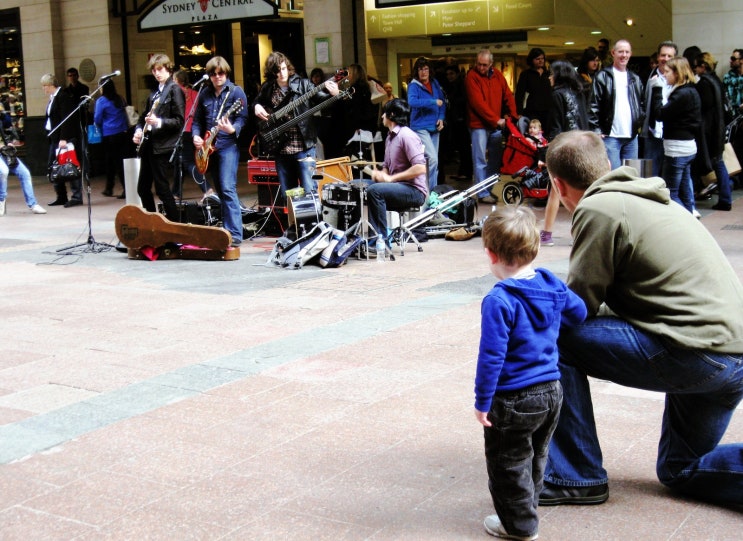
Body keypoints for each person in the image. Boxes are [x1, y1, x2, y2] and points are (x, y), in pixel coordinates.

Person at [541, 129, 743, 507]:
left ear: (558, 184)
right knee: (680, 470)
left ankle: (576, 475)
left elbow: (577, 309)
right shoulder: (654, 200)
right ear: (606, 165)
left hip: (696, 354)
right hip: (731, 356)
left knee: (550, 335)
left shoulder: (597, 209)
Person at [474, 205, 586, 541]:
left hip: (513, 397)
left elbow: (491, 356)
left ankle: (520, 526)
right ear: (534, 249)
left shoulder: (500, 299)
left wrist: (482, 401)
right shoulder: (551, 284)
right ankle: (527, 509)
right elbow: (578, 313)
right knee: (537, 455)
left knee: (507, 462)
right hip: (552, 390)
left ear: (490, 253)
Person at [253, 51, 339, 196]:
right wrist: (256, 106)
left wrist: (334, 95)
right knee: (289, 195)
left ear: (288, 67)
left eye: (283, 69)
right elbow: (257, 102)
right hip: (281, 148)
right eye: (277, 71)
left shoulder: (304, 84)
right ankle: (292, 219)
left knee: (310, 191)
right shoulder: (268, 88)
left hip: (303, 147)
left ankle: (311, 219)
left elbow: (320, 99)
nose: (281, 73)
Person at [192, 56, 249, 247]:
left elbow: (243, 118)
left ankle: (235, 234)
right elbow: (197, 120)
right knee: (220, 189)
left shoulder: (235, 92)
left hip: (227, 146)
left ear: (226, 72)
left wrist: (233, 129)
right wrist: (196, 137)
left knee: (227, 187)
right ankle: (226, 230)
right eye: (213, 74)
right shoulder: (205, 94)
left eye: (221, 73)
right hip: (210, 149)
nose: (217, 77)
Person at [367, 98, 427, 254]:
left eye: (384, 113)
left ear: (391, 115)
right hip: (398, 187)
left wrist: (391, 179)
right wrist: (381, 175)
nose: (381, 117)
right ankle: (353, 240)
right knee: (356, 186)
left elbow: (420, 168)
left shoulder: (407, 136)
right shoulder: (390, 137)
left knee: (375, 191)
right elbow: (387, 167)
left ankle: (381, 242)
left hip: (414, 191)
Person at [540, 60, 590, 247]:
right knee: (580, 192)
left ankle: (547, 234)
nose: (549, 77)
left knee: (555, 191)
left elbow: (555, 126)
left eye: (552, 73)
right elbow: (584, 120)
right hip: (581, 145)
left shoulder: (556, 95)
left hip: (563, 146)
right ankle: (580, 233)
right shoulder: (579, 94)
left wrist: (549, 150)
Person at [132, 53, 184, 221]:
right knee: (142, 188)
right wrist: (138, 130)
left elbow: (179, 121)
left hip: (162, 146)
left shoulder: (175, 89)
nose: (157, 73)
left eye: (160, 69)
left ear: (168, 68)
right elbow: (142, 118)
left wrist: (158, 122)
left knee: (162, 189)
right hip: (149, 145)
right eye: (154, 70)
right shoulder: (154, 93)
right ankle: (154, 221)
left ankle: (175, 225)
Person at [465, 49, 518, 204]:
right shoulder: (471, 77)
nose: (481, 67)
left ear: (491, 64)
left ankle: (488, 188)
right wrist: (496, 120)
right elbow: (478, 103)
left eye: (484, 65)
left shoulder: (498, 75)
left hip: (495, 125)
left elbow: (507, 94)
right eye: (479, 64)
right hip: (479, 125)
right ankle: (482, 193)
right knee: (480, 159)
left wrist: (513, 115)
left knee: (495, 159)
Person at [648, 56, 701, 213]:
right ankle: (691, 224)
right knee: (685, 193)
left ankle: (684, 223)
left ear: (677, 73)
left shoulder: (682, 94)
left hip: (677, 149)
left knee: (672, 193)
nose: (664, 75)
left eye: (667, 72)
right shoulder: (690, 91)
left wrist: (656, 89)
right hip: (687, 147)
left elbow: (659, 113)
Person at [589, 39, 644, 169]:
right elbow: (593, 103)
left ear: (630, 54)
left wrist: (639, 122)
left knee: (631, 176)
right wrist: (596, 129)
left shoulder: (635, 78)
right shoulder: (602, 76)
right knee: (613, 176)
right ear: (613, 53)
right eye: (620, 51)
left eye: (627, 52)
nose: (624, 55)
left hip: (632, 137)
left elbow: (642, 103)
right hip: (610, 136)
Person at [694, 52, 733, 211]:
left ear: (703, 66)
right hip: (718, 129)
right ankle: (725, 195)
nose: (695, 69)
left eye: (696, 65)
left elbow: (702, 108)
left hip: (709, 132)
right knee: (719, 163)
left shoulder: (704, 84)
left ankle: (724, 197)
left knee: (714, 163)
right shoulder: (716, 81)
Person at [41, 73, 83, 208]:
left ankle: (76, 196)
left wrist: (63, 138)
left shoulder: (63, 97)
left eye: (45, 86)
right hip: (54, 137)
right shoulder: (53, 98)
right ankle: (61, 195)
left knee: (69, 165)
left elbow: (67, 119)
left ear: (51, 85)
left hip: (63, 138)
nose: (44, 89)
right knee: (54, 166)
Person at [407, 57, 446, 191]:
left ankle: (432, 192)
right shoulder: (413, 85)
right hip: (420, 127)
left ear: (429, 70)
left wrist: (441, 117)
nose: (423, 72)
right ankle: (426, 191)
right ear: (416, 71)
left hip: (434, 127)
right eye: (420, 69)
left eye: (426, 69)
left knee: (434, 163)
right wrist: (432, 101)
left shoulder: (434, 82)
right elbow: (412, 102)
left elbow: (442, 101)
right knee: (433, 160)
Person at [640, 41, 677, 178]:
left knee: (671, 176)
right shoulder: (647, 77)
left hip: (673, 135)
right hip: (652, 133)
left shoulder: (681, 79)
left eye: (669, 56)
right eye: (663, 55)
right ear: (657, 57)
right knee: (650, 174)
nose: (665, 59)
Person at [172, 70, 209, 198]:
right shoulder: (195, 93)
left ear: (177, 80)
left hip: (181, 131)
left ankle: (206, 189)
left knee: (187, 162)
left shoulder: (176, 92)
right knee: (179, 162)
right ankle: (176, 192)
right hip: (193, 131)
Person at [94, 79, 128, 198]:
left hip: (109, 134)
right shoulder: (120, 98)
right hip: (122, 132)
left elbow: (97, 118)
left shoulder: (101, 101)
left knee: (111, 162)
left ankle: (114, 188)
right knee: (120, 162)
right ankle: (116, 187)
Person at [0, 131, 47, 215]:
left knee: (25, 173)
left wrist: (9, 143)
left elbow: (4, 133)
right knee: (4, 171)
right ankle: (1, 200)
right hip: (3, 151)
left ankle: (33, 204)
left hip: (5, 152)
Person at [442, 65, 472, 182]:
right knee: (462, 147)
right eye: (448, 74)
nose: (449, 76)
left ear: (456, 74)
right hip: (457, 119)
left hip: (460, 119)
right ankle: (463, 171)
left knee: (463, 147)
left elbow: (463, 100)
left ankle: (466, 172)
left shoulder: (461, 85)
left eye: (451, 74)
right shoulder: (455, 85)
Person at [515, 48, 552, 126]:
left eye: (542, 58)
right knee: (534, 133)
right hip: (533, 110)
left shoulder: (548, 73)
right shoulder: (526, 74)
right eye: (537, 59)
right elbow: (519, 94)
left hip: (548, 110)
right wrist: (519, 112)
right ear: (532, 60)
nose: (540, 61)